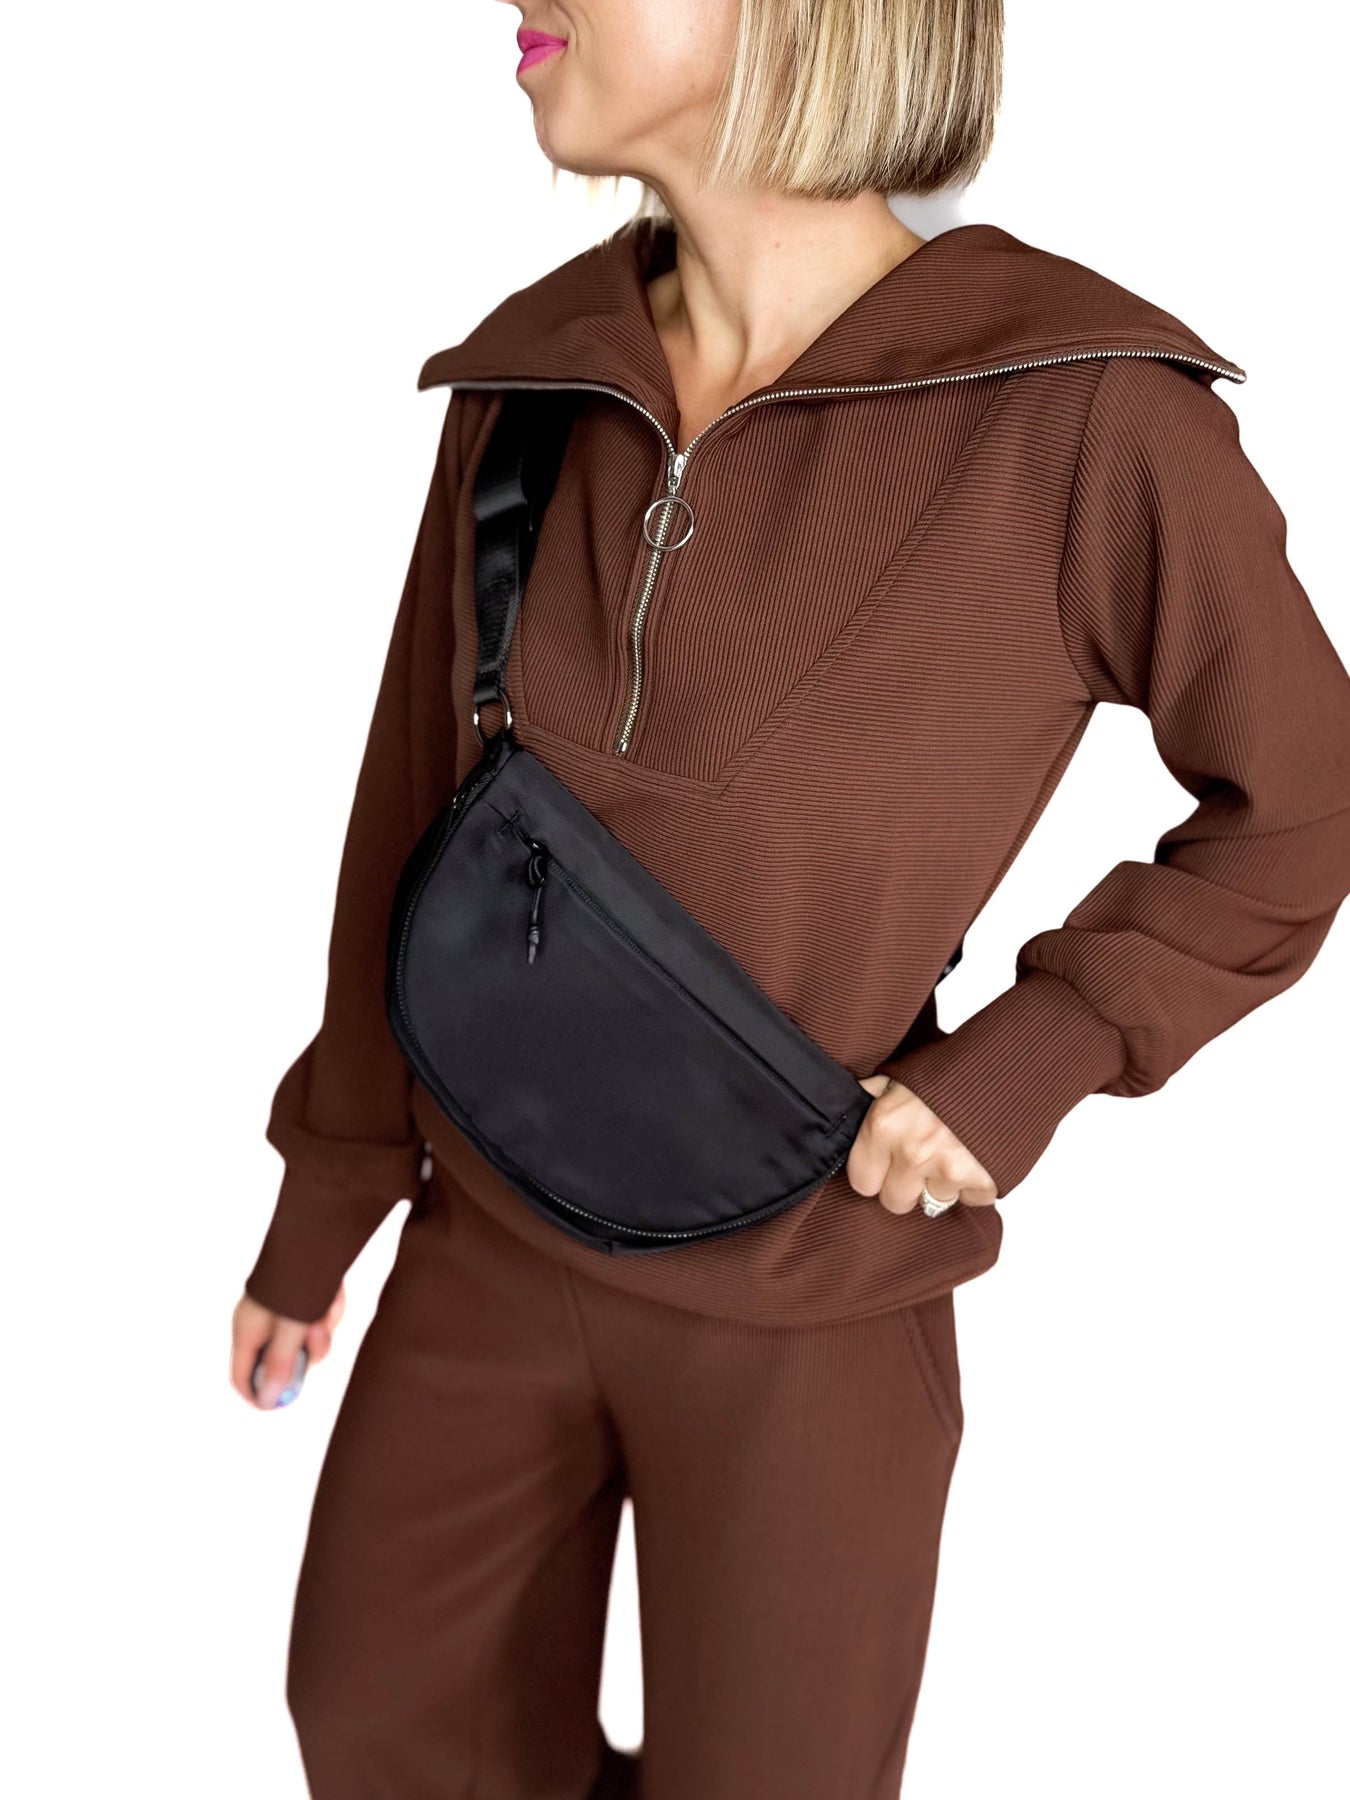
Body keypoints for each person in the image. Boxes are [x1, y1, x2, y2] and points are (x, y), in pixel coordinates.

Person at [230, 2, 1350, 1795]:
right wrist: (327, 1199)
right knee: (380, 1724)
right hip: (481, 1241)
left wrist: (1032, 1056)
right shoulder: (534, 385)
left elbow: (1304, 798)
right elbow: (408, 820)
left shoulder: (1076, 411)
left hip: (812, 1283)